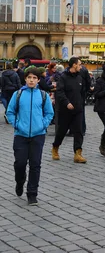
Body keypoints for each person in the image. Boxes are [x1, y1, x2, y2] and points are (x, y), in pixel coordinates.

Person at [6, 67, 54, 205]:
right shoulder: (18, 94)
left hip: (38, 135)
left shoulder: (43, 95)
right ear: (25, 79)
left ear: (38, 80)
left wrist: (43, 125)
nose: (31, 80)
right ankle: (20, 181)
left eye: (34, 78)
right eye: (29, 78)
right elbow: (10, 112)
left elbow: (49, 113)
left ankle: (32, 193)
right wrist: (17, 124)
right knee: (20, 163)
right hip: (20, 134)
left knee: (35, 164)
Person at [52, 57, 87, 163]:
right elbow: (60, 92)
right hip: (65, 109)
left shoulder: (80, 77)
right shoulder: (63, 77)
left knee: (78, 131)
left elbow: (82, 91)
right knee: (62, 131)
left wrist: (81, 102)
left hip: (78, 109)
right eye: (79, 64)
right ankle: (55, 147)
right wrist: (67, 103)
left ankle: (78, 153)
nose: (81, 67)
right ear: (74, 65)